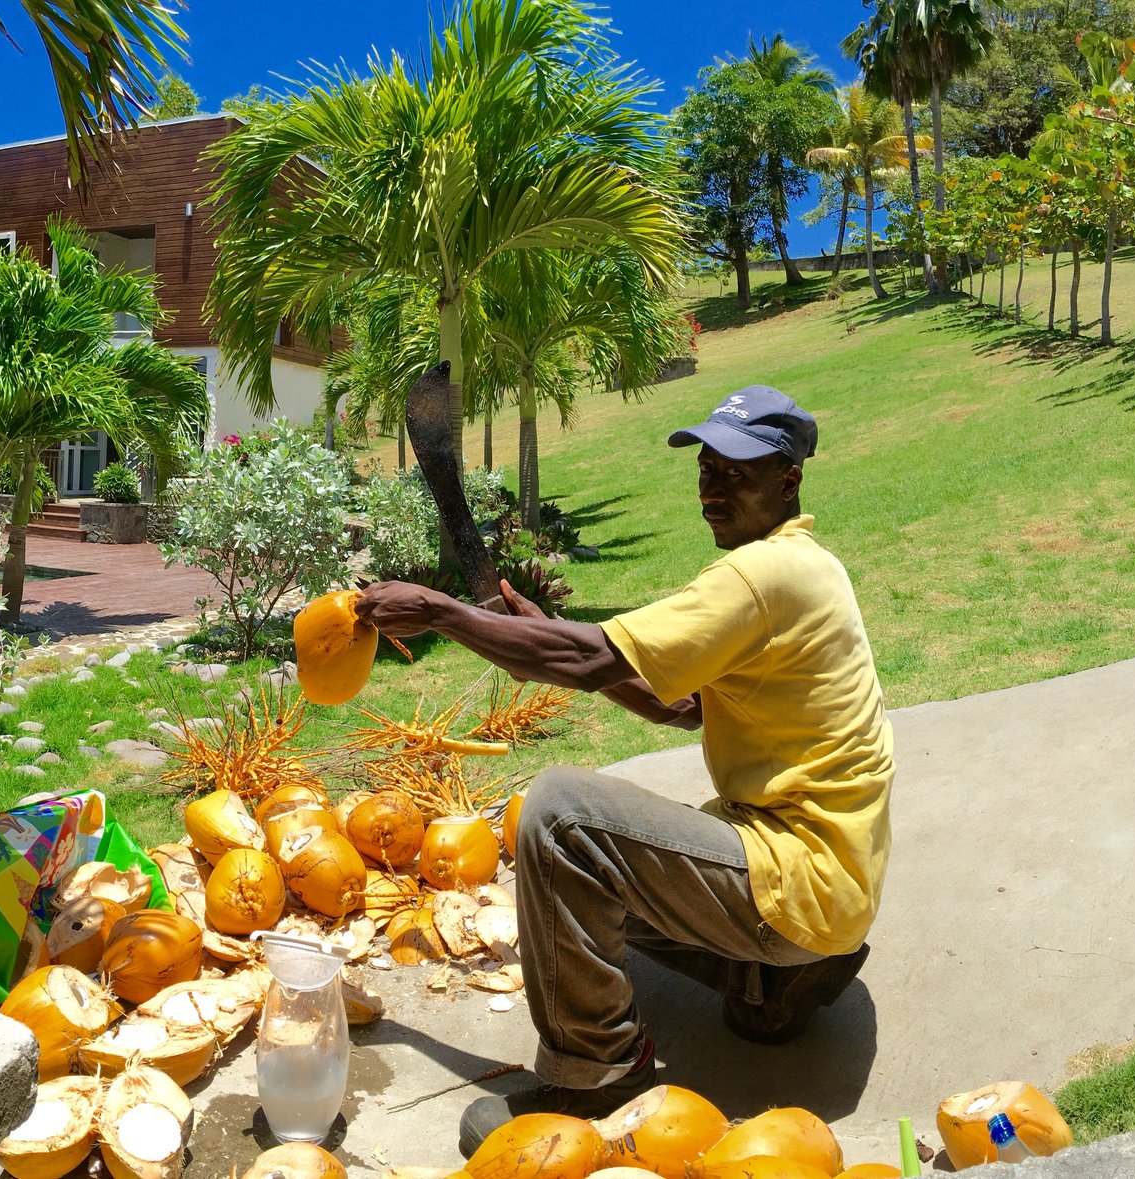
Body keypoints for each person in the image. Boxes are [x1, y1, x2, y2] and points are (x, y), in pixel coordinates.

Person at [350, 386, 895, 1152]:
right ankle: (769, 984)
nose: (713, 487)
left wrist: (444, 613)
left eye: (735, 471)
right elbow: (682, 705)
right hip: (830, 883)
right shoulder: (805, 567)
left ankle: (596, 1074)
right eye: (706, 469)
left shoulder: (762, 576)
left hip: (801, 879)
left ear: (788, 480)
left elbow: (588, 656)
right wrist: (550, 640)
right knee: (573, 898)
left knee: (562, 818)